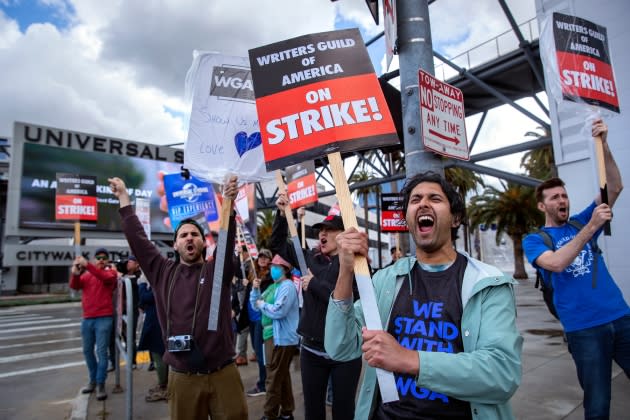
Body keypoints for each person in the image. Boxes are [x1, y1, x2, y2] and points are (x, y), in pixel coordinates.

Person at [325, 171, 523, 419]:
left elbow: (501, 374)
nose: (423, 204)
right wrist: (345, 271)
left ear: (455, 218)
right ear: (407, 219)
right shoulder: (385, 280)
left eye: (435, 199)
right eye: (415, 199)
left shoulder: (487, 283)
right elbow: (340, 348)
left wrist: (409, 359)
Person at [108, 175, 248, 420]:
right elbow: (139, 241)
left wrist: (228, 202)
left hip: (223, 373)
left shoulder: (216, 270)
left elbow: (225, 241)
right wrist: (123, 198)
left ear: (204, 243)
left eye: (195, 234)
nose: (189, 238)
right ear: (175, 245)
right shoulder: (163, 272)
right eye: (183, 235)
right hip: (183, 378)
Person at [523, 119, 629, 420]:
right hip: (583, 330)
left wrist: (604, 144)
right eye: (555, 197)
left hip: (621, 318)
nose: (563, 200)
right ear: (543, 206)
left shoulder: (580, 221)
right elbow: (555, 263)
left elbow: (616, 186)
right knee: (597, 404)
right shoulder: (535, 240)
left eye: (565, 195)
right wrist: (592, 227)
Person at [272, 197, 362, 420]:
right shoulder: (309, 259)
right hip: (311, 351)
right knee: (313, 410)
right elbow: (277, 244)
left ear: (343, 234)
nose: (323, 234)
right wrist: (282, 215)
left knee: (344, 411)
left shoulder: (357, 264)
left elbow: (348, 301)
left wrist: (314, 284)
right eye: (321, 230)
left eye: (330, 230)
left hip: (345, 354)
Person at [250, 254, 300, 420]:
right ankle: (286, 412)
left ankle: (269, 414)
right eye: (272, 266)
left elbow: (278, 311)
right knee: (281, 375)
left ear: (285, 269)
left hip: (281, 338)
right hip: (270, 336)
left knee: (273, 378)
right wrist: (255, 290)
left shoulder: (287, 286)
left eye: (276, 267)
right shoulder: (273, 286)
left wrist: (261, 304)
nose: (273, 269)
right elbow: (255, 306)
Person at [69, 247, 118, 401]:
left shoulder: (110, 273)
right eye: (98, 257)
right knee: (87, 351)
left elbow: (105, 278)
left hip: (104, 318)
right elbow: (74, 286)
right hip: (87, 318)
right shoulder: (87, 275)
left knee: (102, 352)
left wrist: (87, 264)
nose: (101, 260)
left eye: (104, 257)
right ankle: (93, 380)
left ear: (108, 260)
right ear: (95, 259)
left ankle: (100, 383)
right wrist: (75, 273)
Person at [240, 248, 273, 397]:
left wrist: (258, 285)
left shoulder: (270, 277)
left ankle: (263, 384)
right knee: (256, 349)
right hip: (252, 319)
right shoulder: (252, 273)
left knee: (261, 353)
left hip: (262, 319)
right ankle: (264, 381)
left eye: (266, 257)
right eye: (261, 256)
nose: (263, 259)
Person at [137, 273, 169, 402]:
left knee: (159, 356)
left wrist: (142, 284)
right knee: (158, 356)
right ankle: (163, 384)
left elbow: (145, 298)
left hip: (157, 325)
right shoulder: (160, 282)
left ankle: (164, 386)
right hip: (157, 323)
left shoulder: (159, 283)